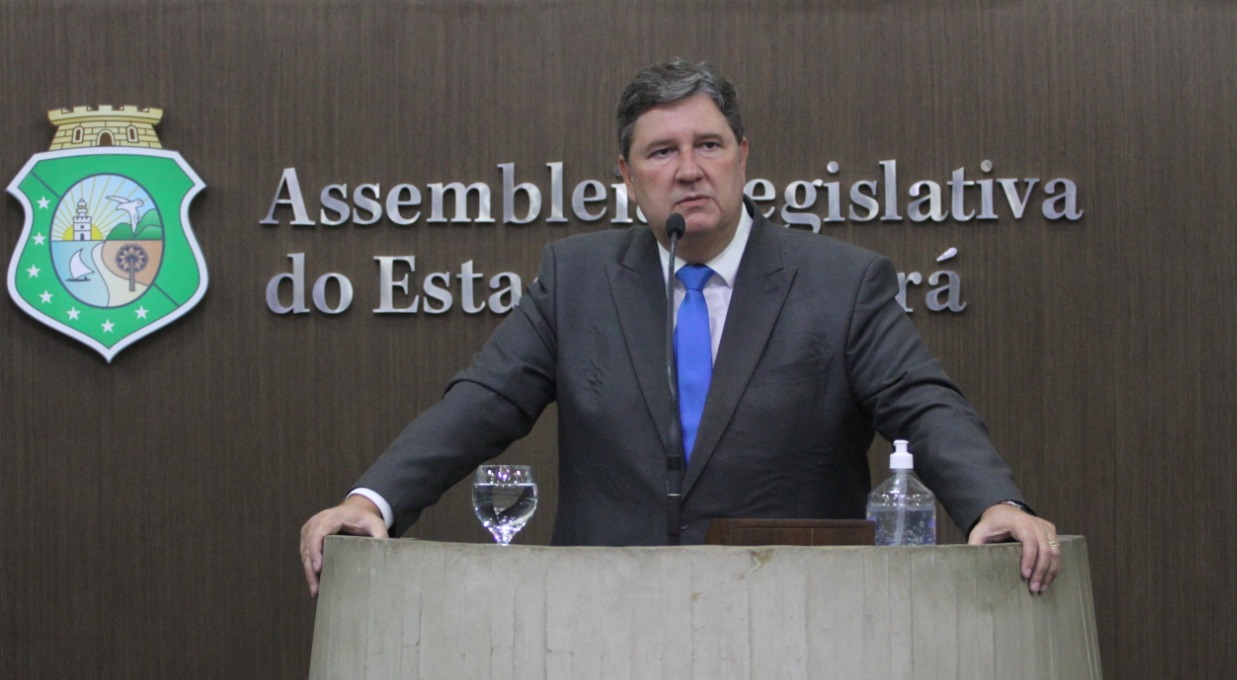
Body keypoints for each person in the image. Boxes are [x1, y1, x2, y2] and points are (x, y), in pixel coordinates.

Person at [300, 59, 1060, 597]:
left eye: (709, 145)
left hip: (800, 615)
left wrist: (995, 503)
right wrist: (374, 501)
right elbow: (483, 401)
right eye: (662, 151)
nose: (689, 169)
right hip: (605, 617)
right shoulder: (577, 279)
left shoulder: (841, 284)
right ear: (627, 177)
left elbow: (924, 404)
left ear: (743, 157)